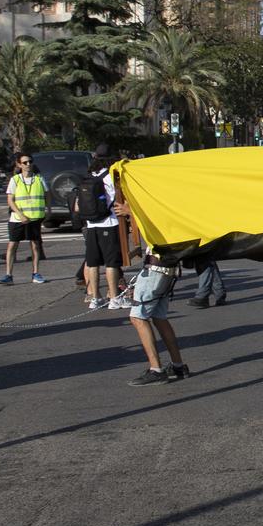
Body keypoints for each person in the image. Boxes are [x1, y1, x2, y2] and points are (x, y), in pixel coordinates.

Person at [125, 250, 192, 386]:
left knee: (138, 318)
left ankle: (156, 370)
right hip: (167, 266)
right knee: (159, 317)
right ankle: (177, 365)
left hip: (155, 268)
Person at [78, 151, 126, 311]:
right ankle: (114, 298)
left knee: (93, 263)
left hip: (91, 224)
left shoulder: (89, 175)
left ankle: (95, 297)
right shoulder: (111, 175)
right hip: (109, 222)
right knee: (111, 262)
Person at [0, 152, 50, 284]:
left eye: (30, 162)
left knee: (35, 245)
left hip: (35, 218)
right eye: (25, 162)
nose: (28, 164)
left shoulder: (39, 178)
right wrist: (20, 215)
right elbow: (10, 200)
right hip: (17, 219)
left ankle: (36, 273)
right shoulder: (15, 180)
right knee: (12, 245)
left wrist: (48, 209)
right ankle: (8, 275)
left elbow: (47, 194)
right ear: (19, 164)